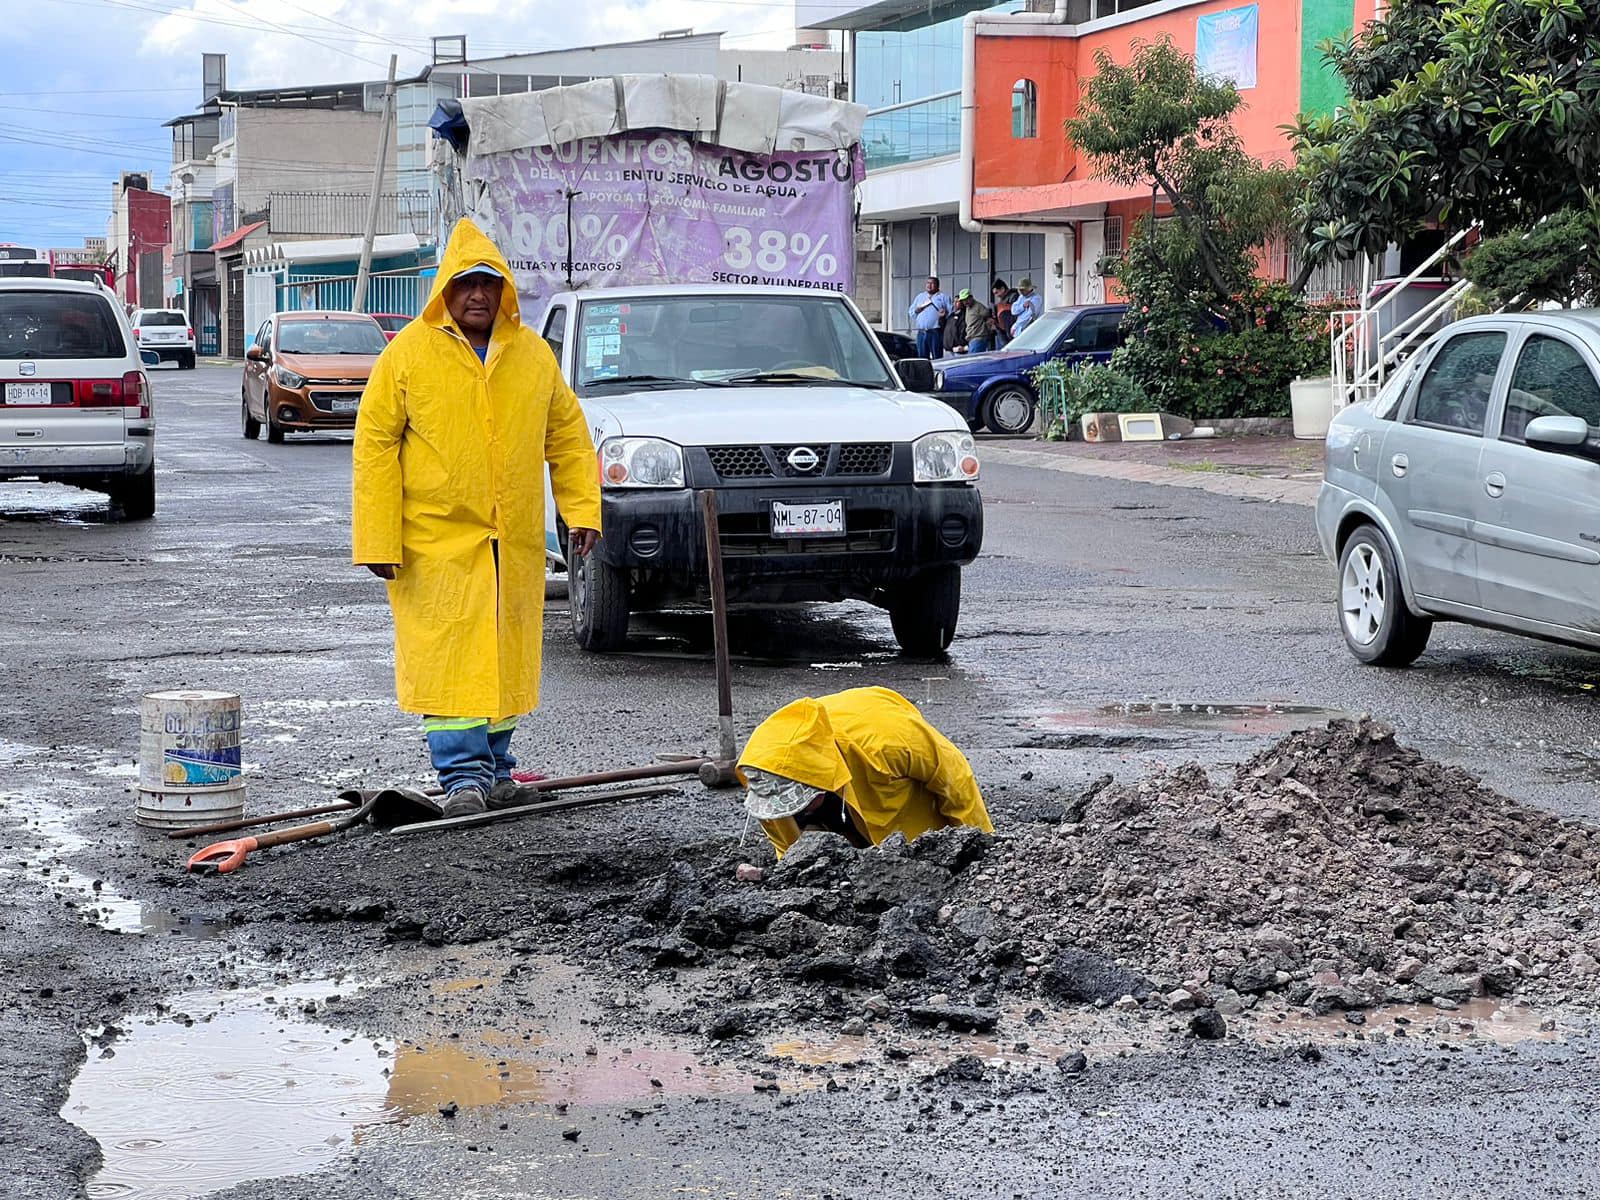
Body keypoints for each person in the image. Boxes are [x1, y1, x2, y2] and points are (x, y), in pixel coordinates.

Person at [352, 218, 602, 818]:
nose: (478, 295)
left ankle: (494, 772)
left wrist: (582, 510)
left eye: (489, 284)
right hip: (434, 546)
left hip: (509, 543)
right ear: (445, 290)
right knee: (452, 662)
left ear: (505, 291)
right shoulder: (407, 354)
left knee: (504, 659)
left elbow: (567, 436)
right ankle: (461, 777)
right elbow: (375, 445)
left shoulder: (532, 356)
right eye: (466, 283)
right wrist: (378, 537)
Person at [738, 686, 993, 859]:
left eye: (800, 803)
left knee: (912, 844)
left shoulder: (886, 739)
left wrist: (979, 847)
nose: (795, 812)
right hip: (842, 795)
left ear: (820, 781)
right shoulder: (763, 772)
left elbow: (954, 779)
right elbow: (787, 846)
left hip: (901, 805)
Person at [909, 276, 952, 360]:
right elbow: (911, 312)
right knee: (922, 358)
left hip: (935, 332)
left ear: (937, 285)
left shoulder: (943, 297)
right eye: (928, 283)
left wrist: (944, 314)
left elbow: (951, 313)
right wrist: (917, 310)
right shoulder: (920, 297)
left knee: (937, 357)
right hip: (922, 332)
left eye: (932, 283)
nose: (929, 285)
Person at [957, 288, 992, 354]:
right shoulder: (967, 308)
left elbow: (988, 315)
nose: (965, 302)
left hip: (978, 337)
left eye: (967, 299)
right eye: (963, 300)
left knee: (973, 361)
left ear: (971, 297)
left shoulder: (978, 306)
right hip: (971, 338)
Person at [989, 279, 1016, 350]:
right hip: (1003, 330)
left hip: (1010, 331)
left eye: (996, 292)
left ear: (1002, 289)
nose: (996, 295)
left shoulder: (1013, 296)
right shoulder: (1003, 299)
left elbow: (1014, 311)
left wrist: (1001, 308)